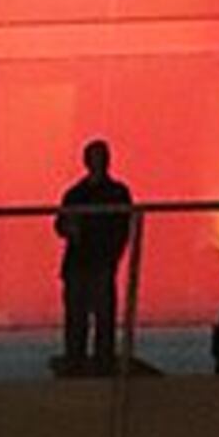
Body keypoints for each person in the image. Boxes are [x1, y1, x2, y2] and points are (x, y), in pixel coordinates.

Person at [50, 137, 135, 376]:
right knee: (79, 319)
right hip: (81, 264)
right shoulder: (78, 194)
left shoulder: (111, 193)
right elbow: (59, 225)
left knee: (101, 320)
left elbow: (123, 228)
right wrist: (70, 228)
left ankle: (100, 364)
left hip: (97, 264)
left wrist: (112, 256)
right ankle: (78, 362)